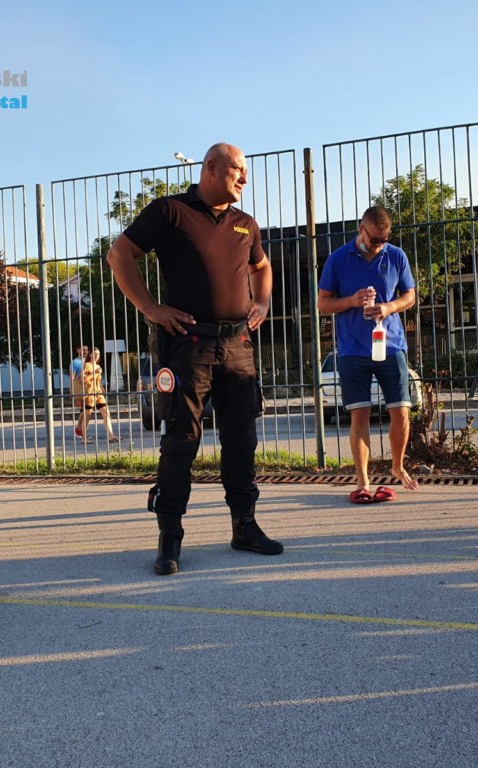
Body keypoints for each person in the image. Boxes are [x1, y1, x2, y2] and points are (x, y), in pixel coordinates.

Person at [106, 142, 283, 575]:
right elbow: (119, 254)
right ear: (211, 167)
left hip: (238, 345)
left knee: (241, 438)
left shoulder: (246, 224)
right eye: (238, 169)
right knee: (181, 440)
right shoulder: (170, 211)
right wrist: (150, 307)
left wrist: (261, 302)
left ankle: (244, 526)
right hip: (188, 345)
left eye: (246, 172)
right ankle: (170, 536)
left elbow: (262, 268)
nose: (245, 178)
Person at [317, 206, 419, 503]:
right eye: (374, 239)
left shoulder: (396, 256)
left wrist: (388, 307)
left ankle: (397, 467)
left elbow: (410, 296)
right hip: (352, 350)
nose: (379, 244)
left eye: (384, 239)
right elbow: (323, 304)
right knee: (359, 414)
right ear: (360, 230)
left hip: (391, 346)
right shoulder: (338, 259)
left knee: (401, 410)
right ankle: (362, 482)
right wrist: (351, 301)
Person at [76, 347, 118, 443]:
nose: (96, 356)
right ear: (90, 355)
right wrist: (95, 373)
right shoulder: (87, 365)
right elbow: (83, 379)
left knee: (106, 412)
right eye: (94, 354)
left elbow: (97, 380)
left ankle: (111, 436)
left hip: (98, 392)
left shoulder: (98, 366)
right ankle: (84, 438)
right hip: (90, 393)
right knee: (87, 415)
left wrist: (101, 387)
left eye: (98, 354)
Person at [70, 344, 89, 441]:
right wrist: (72, 390)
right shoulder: (75, 362)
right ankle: (79, 429)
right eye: (83, 350)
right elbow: (72, 377)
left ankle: (81, 431)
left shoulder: (88, 361)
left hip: (89, 388)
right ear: (78, 350)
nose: (85, 352)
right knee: (86, 410)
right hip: (80, 389)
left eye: (86, 350)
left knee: (86, 410)